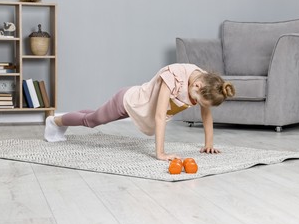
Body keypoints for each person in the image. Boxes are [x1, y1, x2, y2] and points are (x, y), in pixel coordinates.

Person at [44, 63, 235, 161]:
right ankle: (55, 121)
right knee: (92, 121)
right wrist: (160, 153)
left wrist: (208, 144)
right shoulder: (174, 76)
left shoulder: (205, 82)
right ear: (197, 85)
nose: (195, 103)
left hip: (140, 111)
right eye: (196, 99)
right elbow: (160, 116)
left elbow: (206, 114)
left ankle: (68, 118)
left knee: (93, 115)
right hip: (128, 102)